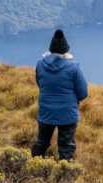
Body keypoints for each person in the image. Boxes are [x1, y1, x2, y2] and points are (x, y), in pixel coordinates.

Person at [33, 29, 89, 161]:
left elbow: (40, 84)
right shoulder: (73, 68)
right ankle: (64, 175)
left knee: (41, 143)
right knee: (66, 147)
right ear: (66, 51)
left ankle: (33, 168)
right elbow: (83, 93)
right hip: (67, 114)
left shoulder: (40, 65)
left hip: (46, 112)